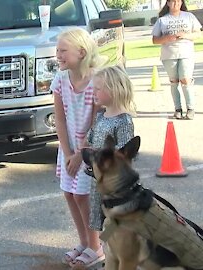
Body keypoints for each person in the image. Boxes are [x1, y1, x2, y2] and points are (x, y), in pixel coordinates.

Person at [51, 28, 105, 268]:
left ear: (82, 52)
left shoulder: (97, 82)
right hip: (68, 148)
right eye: (57, 51)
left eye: (63, 50)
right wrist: (67, 151)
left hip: (88, 150)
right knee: (69, 193)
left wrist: (80, 154)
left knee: (84, 196)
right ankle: (84, 242)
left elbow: (95, 123)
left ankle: (96, 247)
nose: (58, 55)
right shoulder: (60, 80)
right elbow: (59, 119)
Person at [77, 65, 136, 268]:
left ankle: (117, 260)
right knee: (103, 224)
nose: (94, 93)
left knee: (115, 225)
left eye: (98, 89)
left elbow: (125, 156)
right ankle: (108, 256)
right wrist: (85, 148)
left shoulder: (124, 121)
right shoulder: (101, 117)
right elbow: (90, 139)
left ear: (114, 90)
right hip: (98, 182)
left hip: (115, 187)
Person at [152, 0, 202, 120]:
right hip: (169, 55)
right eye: (173, 2)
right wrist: (167, 38)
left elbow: (198, 34)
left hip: (186, 53)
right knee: (174, 81)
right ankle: (178, 109)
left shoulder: (189, 16)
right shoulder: (162, 20)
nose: (176, 4)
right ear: (168, 3)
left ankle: (190, 108)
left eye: (179, 1)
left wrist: (185, 35)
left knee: (185, 79)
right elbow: (155, 40)